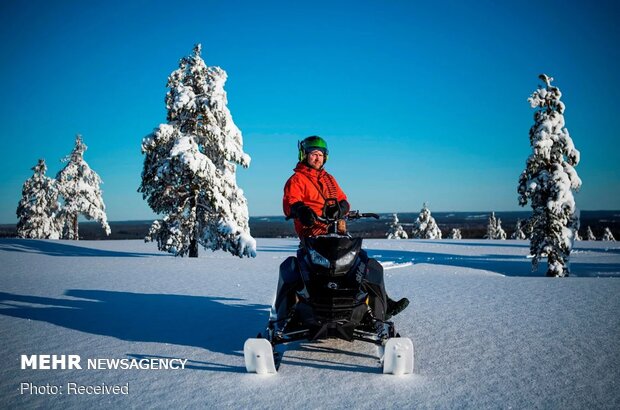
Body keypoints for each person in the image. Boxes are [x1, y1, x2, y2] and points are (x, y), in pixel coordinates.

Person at [270, 136, 409, 334]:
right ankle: (290, 313)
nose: (317, 158)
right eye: (313, 154)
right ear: (304, 155)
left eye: (320, 155)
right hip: (313, 233)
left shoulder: (329, 178)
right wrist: (301, 210)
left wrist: (342, 207)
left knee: (362, 263)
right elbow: (290, 202)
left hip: (337, 231)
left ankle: (379, 306)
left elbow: (343, 199)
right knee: (300, 269)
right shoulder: (297, 179)